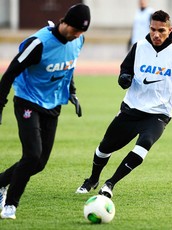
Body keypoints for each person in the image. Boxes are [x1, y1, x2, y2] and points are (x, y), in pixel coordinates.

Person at [76, 10, 172, 199]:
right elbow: (124, 71)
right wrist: (124, 78)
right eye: (153, 29)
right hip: (131, 109)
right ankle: (93, 179)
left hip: (158, 114)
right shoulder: (139, 47)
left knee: (143, 145)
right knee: (103, 149)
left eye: (161, 30)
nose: (156, 34)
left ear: (170, 30)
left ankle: (110, 184)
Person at [0, 3, 91, 219]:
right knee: (31, 155)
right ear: (65, 22)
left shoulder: (78, 40)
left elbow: (69, 67)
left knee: (39, 163)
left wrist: (72, 92)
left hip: (53, 104)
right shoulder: (39, 43)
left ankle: (1, 183)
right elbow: (11, 72)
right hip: (27, 101)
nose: (77, 34)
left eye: (82, 31)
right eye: (75, 29)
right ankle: (10, 205)